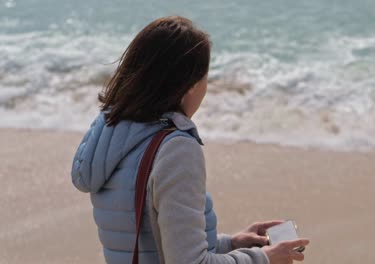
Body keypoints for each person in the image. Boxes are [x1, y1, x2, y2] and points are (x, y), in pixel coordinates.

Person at [71, 16, 309, 264]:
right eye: (206, 76)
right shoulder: (177, 149)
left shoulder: (113, 138)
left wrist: (231, 244)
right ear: (190, 85)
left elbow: (150, 241)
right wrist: (263, 258)